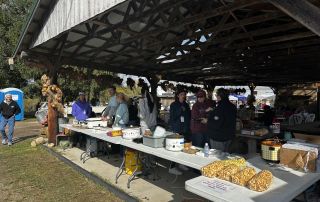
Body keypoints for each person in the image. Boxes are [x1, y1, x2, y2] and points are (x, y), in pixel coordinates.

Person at [202, 88, 236, 152]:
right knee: (225, 156)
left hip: (219, 137)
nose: (216, 97)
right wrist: (214, 111)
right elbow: (225, 117)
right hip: (229, 136)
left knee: (218, 157)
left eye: (216, 95)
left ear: (219, 96)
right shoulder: (232, 106)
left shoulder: (220, 108)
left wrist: (207, 121)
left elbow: (216, 124)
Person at [169, 89, 191, 175]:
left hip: (185, 130)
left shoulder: (186, 104)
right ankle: (172, 167)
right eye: (181, 94)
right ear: (178, 95)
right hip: (177, 130)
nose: (183, 96)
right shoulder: (173, 105)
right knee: (176, 148)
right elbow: (172, 118)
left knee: (184, 148)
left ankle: (182, 163)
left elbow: (188, 116)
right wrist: (180, 110)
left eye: (184, 94)